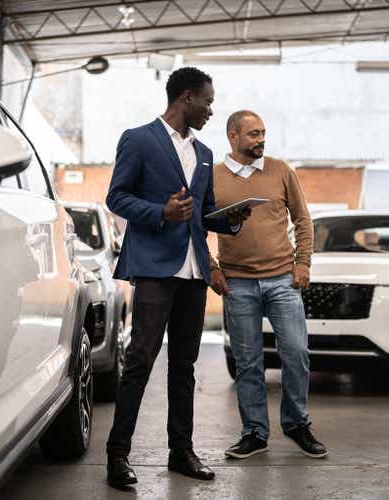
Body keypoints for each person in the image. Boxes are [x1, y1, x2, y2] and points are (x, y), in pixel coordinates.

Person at [105, 68, 250, 487]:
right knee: (139, 361)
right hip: (154, 267)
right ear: (186, 97)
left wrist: (229, 220)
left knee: (184, 366)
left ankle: (181, 452)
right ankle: (118, 455)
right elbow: (116, 196)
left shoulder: (204, 152)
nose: (210, 109)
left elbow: (201, 213)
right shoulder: (139, 139)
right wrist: (160, 212)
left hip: (193, 271)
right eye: (207, 101)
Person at [210, 110, 328, 460]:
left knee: (296, 353)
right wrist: (212, 268)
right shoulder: (213, 178)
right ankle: (255, 433)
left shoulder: (281, 170)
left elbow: (302, 219)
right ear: (233, 137)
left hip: (281, 280)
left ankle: (296, 424)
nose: (261, 139)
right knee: (248, 362)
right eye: (253, 134)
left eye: (263, 133)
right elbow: (197, 229)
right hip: (237, 284)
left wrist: (303, 262)